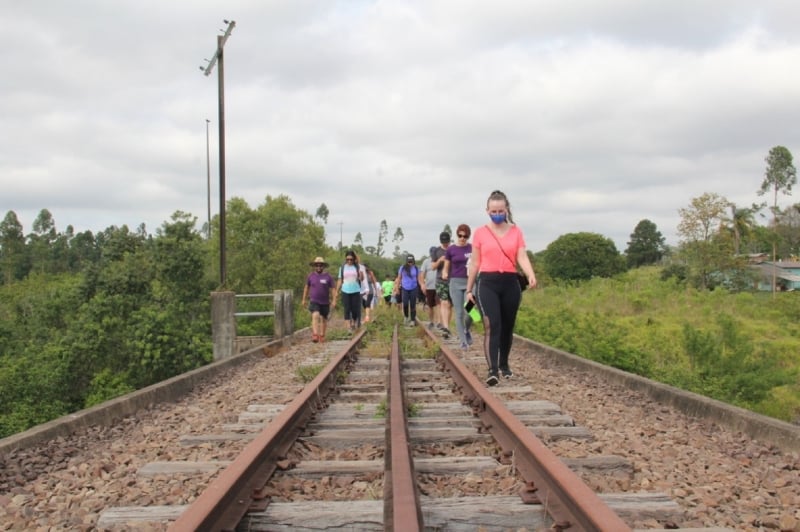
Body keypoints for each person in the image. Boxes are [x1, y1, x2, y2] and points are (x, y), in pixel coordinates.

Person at [466, 190, 537, 386]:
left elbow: (521, 256)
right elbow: (474, 263)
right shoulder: (480, 232)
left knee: (507, 326)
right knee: (492, 324)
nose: (497, 213)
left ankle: (505, 364)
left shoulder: (516, 231)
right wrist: (469, 289)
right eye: (493, 210)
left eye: (500, 210)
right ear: (487, 210)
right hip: (487, 282)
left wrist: (530, 273)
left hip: (510, 283)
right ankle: (492, 369)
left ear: (506, 210)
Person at [443, 224, 473, 350]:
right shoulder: (451, 249)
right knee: (459, 312)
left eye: (465, 236)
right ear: (457, 235)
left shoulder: (472, 248)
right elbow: (446, 265)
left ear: (468, 236)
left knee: (471, 312)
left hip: (469, 282)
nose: (462, 238)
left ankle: (467, 330)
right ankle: (463, 341)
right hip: (455, 282)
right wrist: (444, 272)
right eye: (460, 235)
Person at [301, 257, 335, 343]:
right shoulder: (311, 276)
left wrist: (334, 300)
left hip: (325, 301)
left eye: (320, 265)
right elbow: (306, 287)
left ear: (323, 266)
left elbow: (333, 289)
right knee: (315, 315)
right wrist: (304, 299)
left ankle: (322, 335)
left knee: (324, 318)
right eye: (317, 265)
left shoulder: (328, 277)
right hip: (314, 300)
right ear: (314, 266)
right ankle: (315, 334)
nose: (319, 267)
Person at [336, 250, 364, 332]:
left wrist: (360, 272)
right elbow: (340, 279)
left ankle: (353, 322)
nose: (349, 261)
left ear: (354, 259)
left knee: (355, 309)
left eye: (351, 259)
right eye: (347, 259)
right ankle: (348, 326)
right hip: (345, 290)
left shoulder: (357, 267)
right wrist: (337, 291)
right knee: (347, 309)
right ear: (345, 259)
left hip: (355, 290)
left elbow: (361, 279)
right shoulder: (342, 267)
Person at [431, 231, 452, 336]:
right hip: (440, 280)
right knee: (444, 302)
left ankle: (447, 325)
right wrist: (439, 260)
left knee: (450, 305)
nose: (445, 244)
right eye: (444, 242)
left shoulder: (453, 250)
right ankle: (445, 327)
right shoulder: (436, 251)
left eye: (447, 241)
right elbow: (433, 267)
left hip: (453, 280)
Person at [393, 254, 422, 326]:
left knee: (413, 304)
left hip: (414, 288)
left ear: (413, 261)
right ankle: (406, 316)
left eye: (411, 261)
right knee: (405, 303)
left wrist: (422, 286)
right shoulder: (402, 268)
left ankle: (412, 319)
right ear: (406, 261)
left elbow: (419, 278)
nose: (410, 263)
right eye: (409, 262)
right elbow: (399, 278)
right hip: (404, 288)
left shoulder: (416, 268)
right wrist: (396, 288)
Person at [419, 247, 440, 329]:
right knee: (430, 306)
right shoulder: (426, 262)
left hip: (439, 286)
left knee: (439, 304)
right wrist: (422, 285)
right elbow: (422, 274)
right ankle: (431, 321)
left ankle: (439, 322)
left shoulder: (440, 260)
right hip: (429, 287)